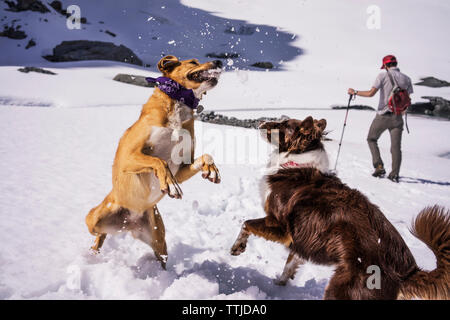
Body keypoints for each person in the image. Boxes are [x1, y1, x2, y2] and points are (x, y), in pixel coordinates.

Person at [348, 55, 413, 183]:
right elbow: (406, 100)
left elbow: (371, 93)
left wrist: (355, 92)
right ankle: (394, 174)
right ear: (396, 64)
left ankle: (379, 167)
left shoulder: (382, 76)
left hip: (383, 116)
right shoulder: (407, 79)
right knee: (396, 147)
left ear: (386, 66)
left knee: (371, 139)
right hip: (398, 117)